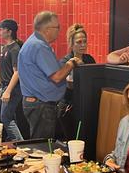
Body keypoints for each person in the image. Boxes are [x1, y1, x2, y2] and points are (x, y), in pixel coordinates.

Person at [17, 11, 81, 139]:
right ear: (47, 30)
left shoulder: (32, 42)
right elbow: (57, 77)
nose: (59, 31)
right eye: (57, 27)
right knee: (43, 148)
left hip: (36, 103)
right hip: (41, 105)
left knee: (41, 145)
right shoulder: (39, 46)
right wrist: (72, 62)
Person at [57, 24, 96, 139]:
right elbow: (60, 86)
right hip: (68, 106)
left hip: (86, 104)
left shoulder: (90, 59)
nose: (83, 45)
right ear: (71, 43)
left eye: (85, 41)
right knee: (71, 139)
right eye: (79, 42)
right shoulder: (65, 61)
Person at [0, 18, 25, 142]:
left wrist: (7, 91)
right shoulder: (5, 48)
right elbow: (5, 70)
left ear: (9, 31)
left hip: (13, 88)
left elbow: (17, 72)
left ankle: (20, 143)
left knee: (5, 118)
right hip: (5, 86)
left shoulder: (15, 49)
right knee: (10, 116)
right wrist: (0, 84)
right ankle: (14, 142)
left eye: (1, 29)